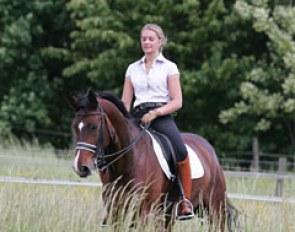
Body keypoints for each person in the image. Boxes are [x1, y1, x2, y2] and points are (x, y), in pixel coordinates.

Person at [121, 23, 194, 220]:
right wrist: (122, 121)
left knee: (180, 150)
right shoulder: (132, 68)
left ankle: (184, 200)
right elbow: (125, 102)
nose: (146, 42)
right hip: (137, 118)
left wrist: (155, 113)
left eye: (151, 39)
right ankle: (114, 199)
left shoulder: (170, 67)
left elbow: (177, 101)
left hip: (161, 117)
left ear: (160, 42)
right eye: (143, 39)